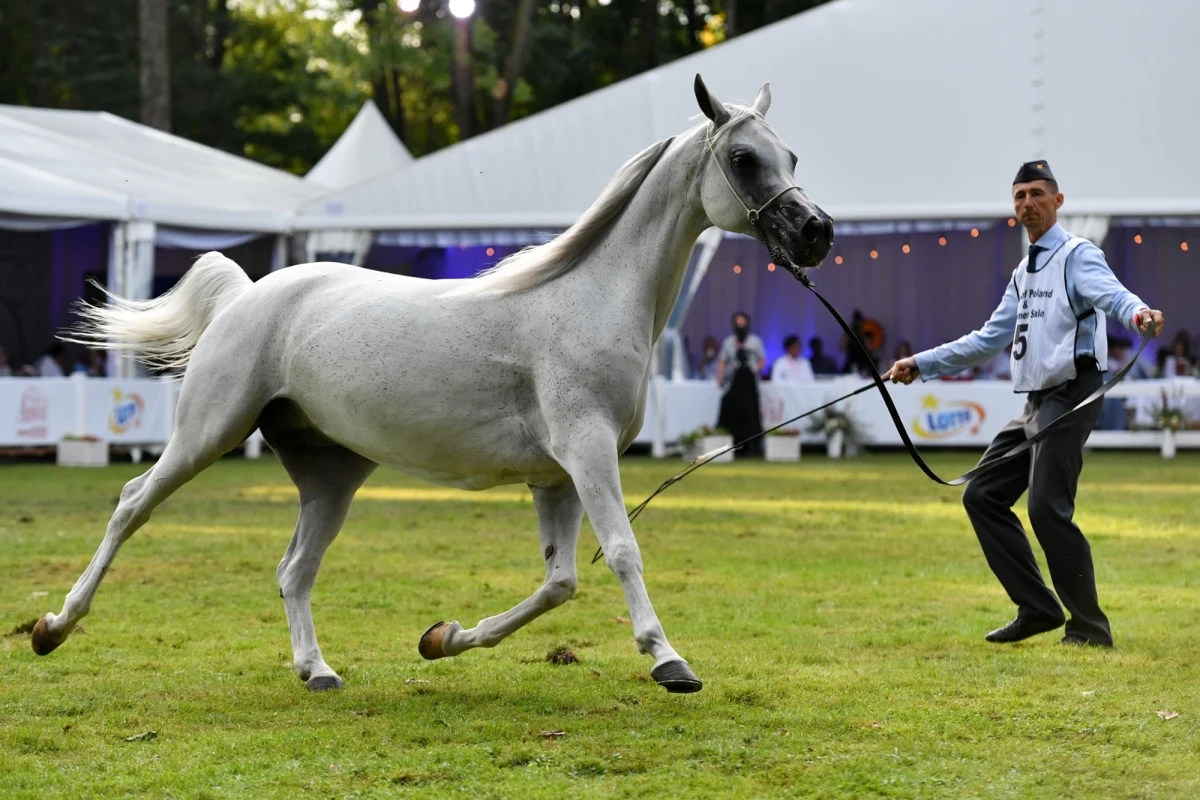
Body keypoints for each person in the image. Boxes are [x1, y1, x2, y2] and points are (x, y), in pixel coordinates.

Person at [885, 160, 1164, 648]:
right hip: (1037, 401)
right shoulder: (1024, 271)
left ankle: (1089, 630)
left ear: (1058, 201)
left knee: (1046, 509)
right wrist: (922, 363)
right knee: (982, 495)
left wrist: (1138, 313)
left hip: (1072, 393)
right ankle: (1037, 608)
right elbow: (989, 338)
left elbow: (1114, 296)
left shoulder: (1078, 254)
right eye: (1018, 196)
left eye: (1037, 193)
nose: (1027, 203)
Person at [717, 312, 765, 457]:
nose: (740, 326)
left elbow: (762, 359)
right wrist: (720, 377)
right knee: (732, 413)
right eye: (738, 323)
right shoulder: (728, 342)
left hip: (749, 385)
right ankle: (734, 445)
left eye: (742, 323)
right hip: (733, 384)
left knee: (751, 414)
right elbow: (723, 361)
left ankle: (753, 446)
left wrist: (754, 369)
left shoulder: (755, 341)